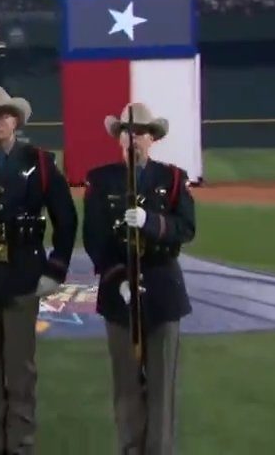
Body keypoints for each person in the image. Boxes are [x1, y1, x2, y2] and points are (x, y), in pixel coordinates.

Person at [0, 87, 78, 455]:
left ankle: (20, 444)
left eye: (2, 116)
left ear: (16, 121)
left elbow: (65, 219)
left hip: (23, 275)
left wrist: (56, 269)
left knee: (20, 369)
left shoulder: (38, 163)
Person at [82, 102, 197, 455]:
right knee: (127, 387)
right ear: (119, 138)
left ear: (152, 139)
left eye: (141, 133)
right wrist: (118, 278)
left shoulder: (172, 179)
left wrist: (151, 222)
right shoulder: (101, 180)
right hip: (120, 295)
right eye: (127, 132)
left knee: (162, 386)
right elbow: (95, 237)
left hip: (163, 291)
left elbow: (186, 228)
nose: (134, 139)